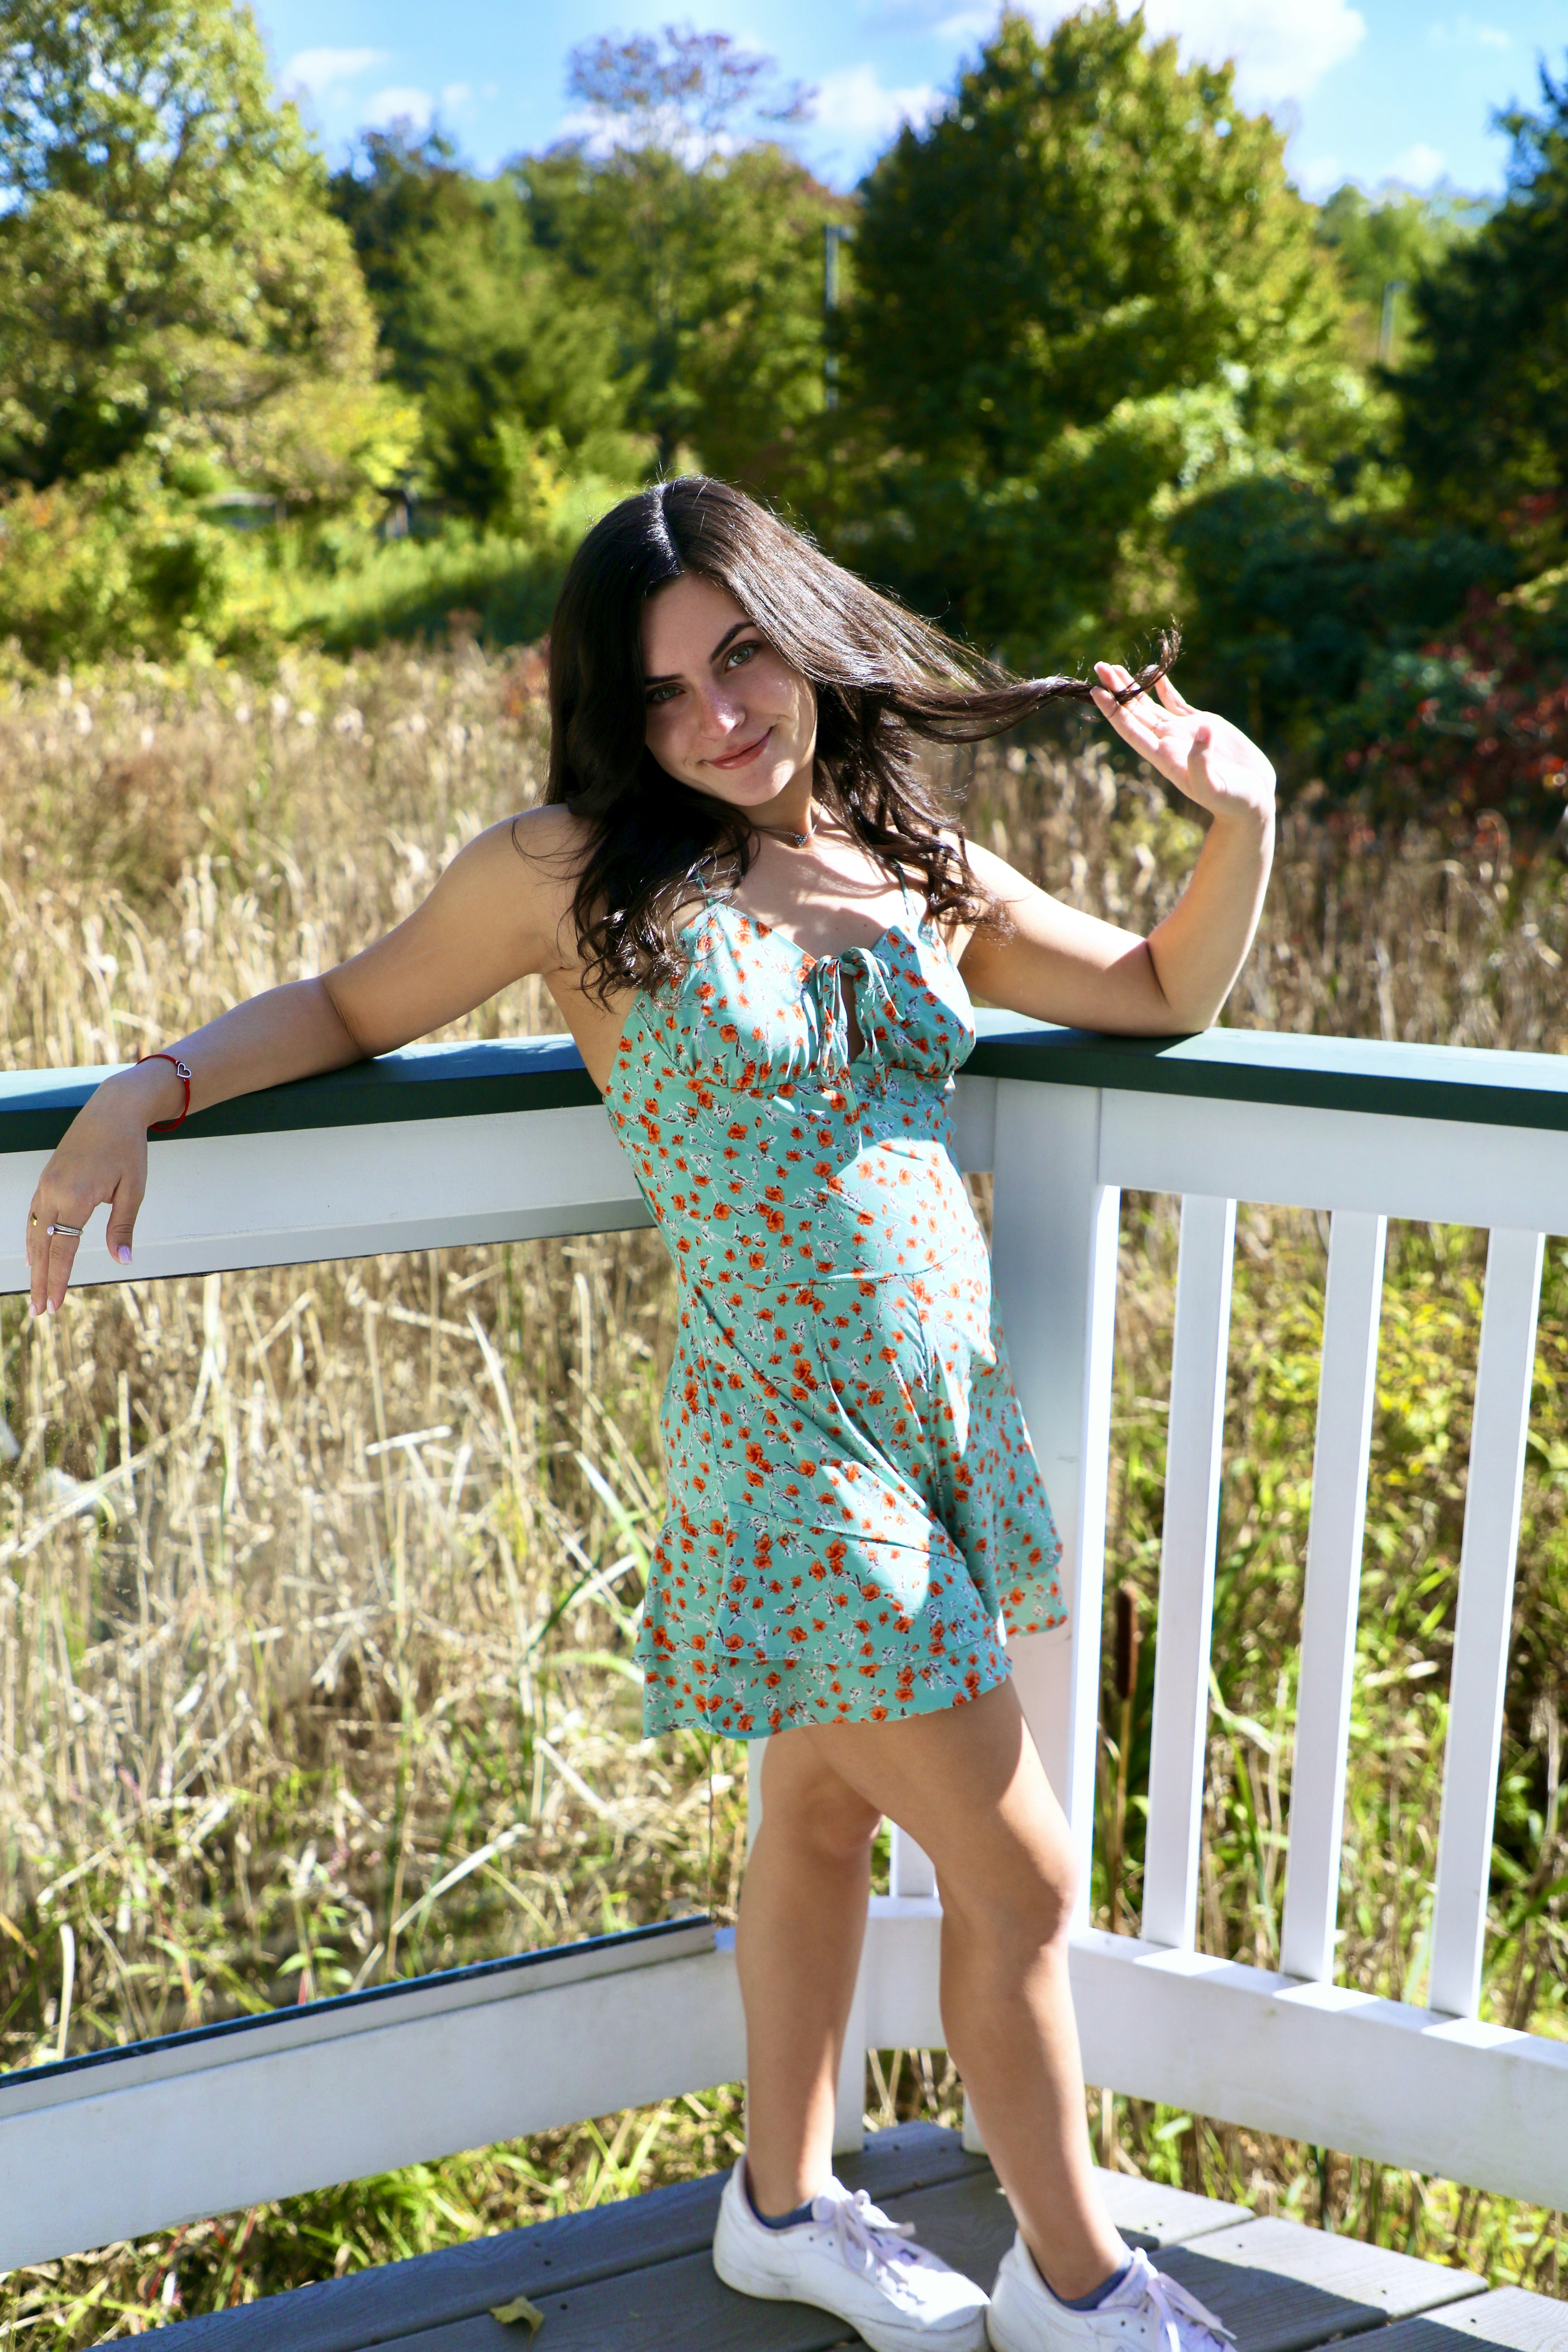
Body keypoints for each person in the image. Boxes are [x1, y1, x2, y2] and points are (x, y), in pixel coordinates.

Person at [28, 478, 1272, 2352]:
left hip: (929, 1426)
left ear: (805, 635)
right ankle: (1082, 2279)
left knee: (822, 1812)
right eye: (668, 693)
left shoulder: (904, 851)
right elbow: (356, 1008)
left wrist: (1236, 817)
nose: (721, 718)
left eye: (745, 657)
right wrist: (152, 1081)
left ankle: (781, 2204)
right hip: (784, 1448)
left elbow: (1162, 987)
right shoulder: (572, 870)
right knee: (1021, 1875)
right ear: (621, 717)